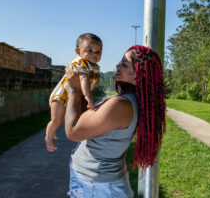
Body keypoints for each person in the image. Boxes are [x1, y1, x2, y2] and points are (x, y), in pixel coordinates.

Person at [64, 45, 166, 197]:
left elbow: (72, 132)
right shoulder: (130, 102)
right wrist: (87, 93)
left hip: (97, 188)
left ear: (138, 75)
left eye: (124, 64)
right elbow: (90, 120)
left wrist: (73, 90)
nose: (117, 66)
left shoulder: (120, 105)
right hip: (97, 185)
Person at [45, 33, 102, 152]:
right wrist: (87, 96)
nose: (94, 54)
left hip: (71, 97)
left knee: (63, 119)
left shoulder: (94, 67)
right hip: (60, 96)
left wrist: (92, 86)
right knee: (56, 120)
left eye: (98, 52)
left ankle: (52, 130)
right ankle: (48, 138)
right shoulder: (79, 62)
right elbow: (83, 78)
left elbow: (90, 82)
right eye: (89, 50)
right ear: (78, 51)